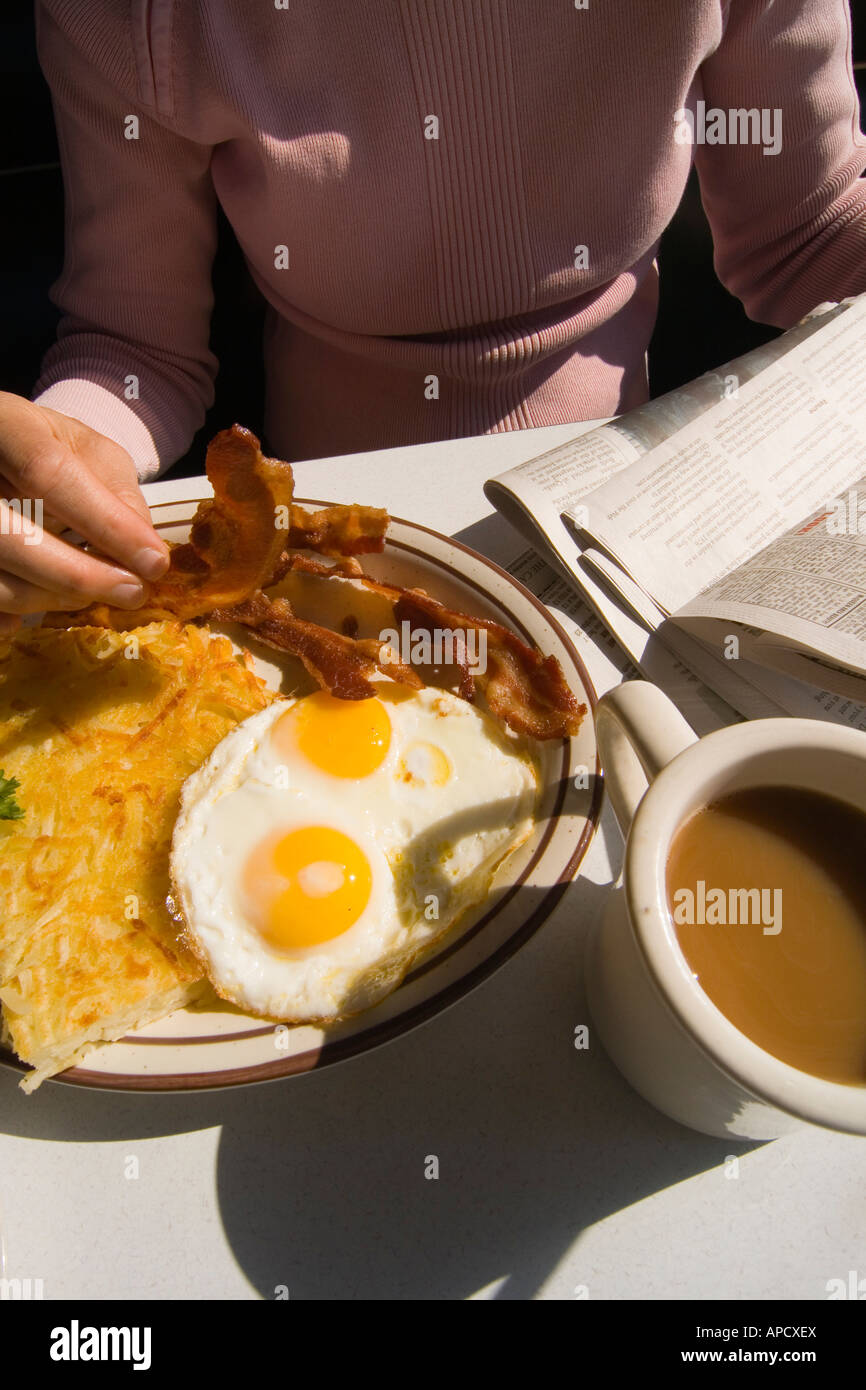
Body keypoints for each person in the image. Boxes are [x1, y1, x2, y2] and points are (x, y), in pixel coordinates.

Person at [0, 0, 864, 632]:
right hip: (340, 553)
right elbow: (136, 346)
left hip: (631, 532)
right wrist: (63, 464)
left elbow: (810, 235)